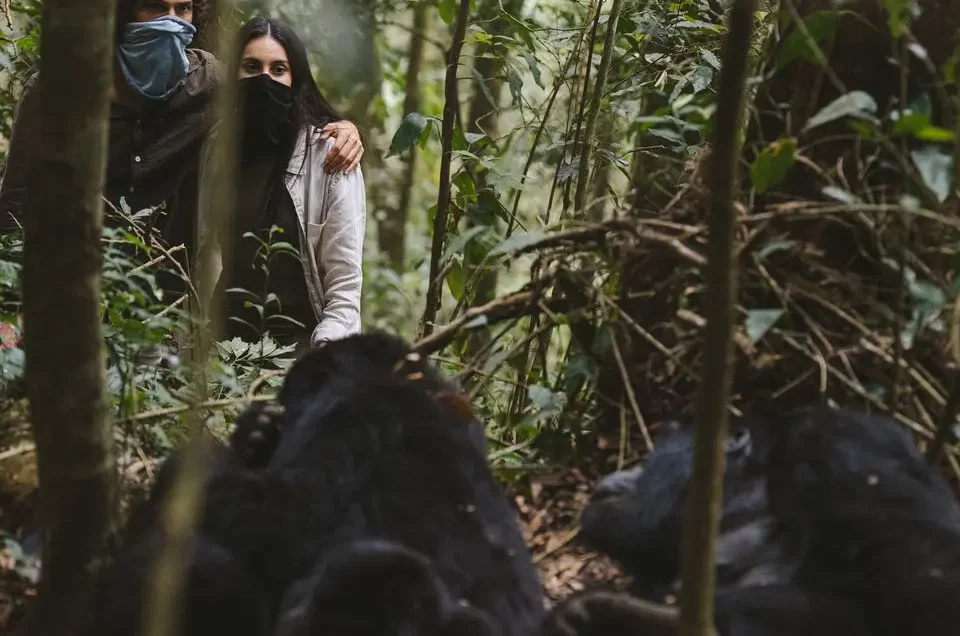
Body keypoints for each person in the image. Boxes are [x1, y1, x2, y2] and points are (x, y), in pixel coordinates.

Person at [0, 0, 365, 250]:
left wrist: (342, 126)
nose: (171, 20)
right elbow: (17, 199)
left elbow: (279, 96)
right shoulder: (61, 89)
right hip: (70, 288)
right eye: (156, 6)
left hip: (162, 301)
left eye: (183, 8)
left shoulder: (208, 81)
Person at [197, 17, 365, 350]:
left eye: (278, 69)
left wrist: (325, 357)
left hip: (303, 348)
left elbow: (344, 288)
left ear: (295, 77)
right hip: (224, 350)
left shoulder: (330, 154)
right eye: (251, 66)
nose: (264, 79)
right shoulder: (216, 147)